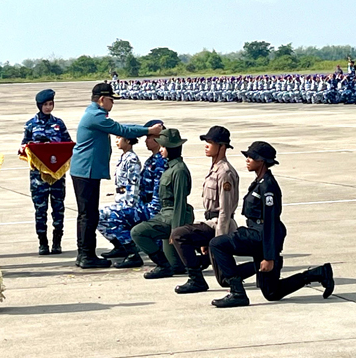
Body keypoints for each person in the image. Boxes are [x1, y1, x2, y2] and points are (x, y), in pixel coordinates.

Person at [209, 141, 335, 308]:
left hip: (261, 236)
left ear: (261, 161)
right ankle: (318, 274)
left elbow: (271, 222)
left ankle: (237, 292)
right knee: (272, 292)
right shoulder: (260, 182)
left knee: (217, 244)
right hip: (259, 233)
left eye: (251, 157)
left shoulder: (268, 186)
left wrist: (270, 257)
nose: (247, 159)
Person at [69, 82, 162, 269]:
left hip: (85, 171)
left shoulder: (94, 114)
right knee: (89, 215)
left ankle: (84, 254)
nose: (113, 104)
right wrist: (148, 131)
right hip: (86, 172)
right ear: (102, 100)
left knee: (87, 214)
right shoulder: (95, 116)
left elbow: (121, 127)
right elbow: (122, 130)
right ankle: (86, 255)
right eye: (111, 100)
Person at [171, 126, 243, 293]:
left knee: (179, 234)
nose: (206, 145)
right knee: (224, 279)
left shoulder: (225, 173)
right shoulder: (215, 169)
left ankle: (196, 280)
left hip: (219, 225)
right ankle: (254, 267)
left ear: (222, 147)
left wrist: (219, 241)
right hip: (211, 222)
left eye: (211, 143)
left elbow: (225, 210)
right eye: (206, 142)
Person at [98, 120, 168, 269]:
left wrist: (138, 209)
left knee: (114, 216)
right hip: (143, 205)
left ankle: (132, 254)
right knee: (101, 215)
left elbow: (157, 194)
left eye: (149, 136)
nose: (146, 140)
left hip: (152, 208)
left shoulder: (160, 162)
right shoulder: (152, 160)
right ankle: (123, 246)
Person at [130, 128, 194, 279]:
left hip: (173, 217)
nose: (162, 149)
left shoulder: (178, 171)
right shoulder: (170, 167)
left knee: (137, 232)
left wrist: (176, 231)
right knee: (177, 266)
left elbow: (180, 202)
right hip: (165, 214)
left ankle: (162, 265)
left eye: (164, 147)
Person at [21, 89, 72, 255]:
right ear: (39, 106)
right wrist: (36, 145)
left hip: (57, 174)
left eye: (51, 104)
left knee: (58, 208)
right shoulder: (30, 125)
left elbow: (68, 144)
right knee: (40, 210)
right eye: (46, 105)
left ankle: (57, 241)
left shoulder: (59, 123)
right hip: (38, 176)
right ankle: (42, 242)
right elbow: (22, 148)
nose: (49, 108)